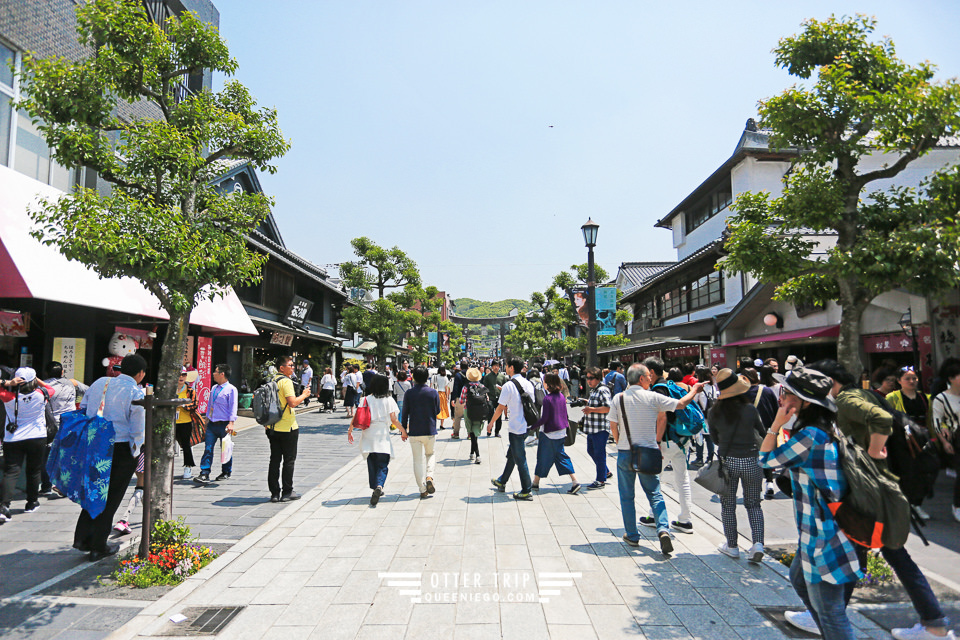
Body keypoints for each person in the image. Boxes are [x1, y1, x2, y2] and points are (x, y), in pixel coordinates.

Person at [806, 360, 955, 640]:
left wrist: (874, 452)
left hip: (873, 490)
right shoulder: (863, 395)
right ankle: (828, 613)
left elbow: (882, 420)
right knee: (865, 550)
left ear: (829, 381)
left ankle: (934, 624)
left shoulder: (848, 398)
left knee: (872, 549)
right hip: (879, 488)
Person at [759, 368, 862, 640]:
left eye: (788, 394)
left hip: (824, 535)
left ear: (806, 402)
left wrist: (776, 424)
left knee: (830, 611)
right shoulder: (827, 428)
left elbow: (765, 460)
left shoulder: (811, 437)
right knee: (798, 580)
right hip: (821, 530)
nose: (782, 399)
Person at [608, 363, 703, 555]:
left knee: (627, 496)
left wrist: (620, 443)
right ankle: (663, 529)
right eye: (648, 376)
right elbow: (681, 404)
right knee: (655, 492)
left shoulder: (618, 398)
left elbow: (613, 425)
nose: (651, 379)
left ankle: (632, 535)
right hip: (649, 451)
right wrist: (694, 390)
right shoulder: (653, 397)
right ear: (641, 378)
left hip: (626, 452)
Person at [72, 354, 146, 560]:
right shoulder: (135, 392)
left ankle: (82, 538)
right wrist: (135, 450)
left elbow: (84, 408)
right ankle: (98, 545)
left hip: (95, 444)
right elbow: (138, 428)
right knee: (111, 496)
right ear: (140, 373)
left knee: (93, 491)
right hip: (121, 448)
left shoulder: (100, 383)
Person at [708, 368, 767, 562]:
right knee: (753, 505)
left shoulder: (714, 411)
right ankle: (757, 544)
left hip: (728, 462)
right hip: (751, 459)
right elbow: (762, 431)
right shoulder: (750, 409)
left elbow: (715, 439)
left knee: (728, 505)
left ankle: (732, 546)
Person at [642, 357, 696, 535]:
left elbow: (662, 417)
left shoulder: (658, 389)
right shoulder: (672, 386)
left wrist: (656, 441)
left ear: (651, 373)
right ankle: (685, 520)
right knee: (683, 479)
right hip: (682, 439)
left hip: (666, 441)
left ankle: (653, 516)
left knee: (654, 478)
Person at [1, 368, 56, 521]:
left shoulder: (8, 397)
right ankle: (31, 502)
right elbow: (51, 388)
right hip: (37, 437)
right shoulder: (42, 395)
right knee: (34, 471)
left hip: (13, 439)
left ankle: (4, 506)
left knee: (11, 472)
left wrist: (7, 382)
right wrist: (37, 379)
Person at [349, 373, 404, 505]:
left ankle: (375, 486)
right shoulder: (389, 400)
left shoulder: (366, 399)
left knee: (371, 462)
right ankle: (379, 485)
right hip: (382, 434)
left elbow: (357, 416)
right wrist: (403, 431)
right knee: (383, 463)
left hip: (368, 433)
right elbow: (393, 419)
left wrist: (350, 430)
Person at [265, 356, 311, 502]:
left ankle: (274, 493)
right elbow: (292, 403)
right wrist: (304, 395)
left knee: (274, 460)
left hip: (272, 427)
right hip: (288, 427)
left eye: (293, 365)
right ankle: (287, 492)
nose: (292, 367)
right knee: (289, 460)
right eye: (290, 365)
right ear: (281, 368)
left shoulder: (272, 382)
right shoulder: (286, 382)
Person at [489, 358, 536, 501]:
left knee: (520, 458)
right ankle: (502, 481)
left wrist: (491, 423)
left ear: (510, 368)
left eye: (507, 366)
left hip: (516, 427)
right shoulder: (528, 384)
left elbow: (500, 408)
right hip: (526, 425)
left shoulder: (508, 386)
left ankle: (527, 490)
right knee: (512, 455)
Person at [42, 361, 89, 494]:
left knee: (48, 455)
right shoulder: (72, 383)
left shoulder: (44, 385)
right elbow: (88, 391)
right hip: (70, 423)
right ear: (62, 372)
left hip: (50, 424)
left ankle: (46, 485)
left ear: (46, 372)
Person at [530, 373, 580, 494]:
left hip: (549, 433)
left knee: (543, 457)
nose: (543, 383)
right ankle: (574, 481)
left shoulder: (548, 399)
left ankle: (536, 482)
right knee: (560, 456)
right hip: (561, 431)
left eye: (544, 381)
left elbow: (544, 418)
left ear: (548, 383)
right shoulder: (561, 396)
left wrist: (532, 427)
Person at [402, 366, 441, 499]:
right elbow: (438, 411)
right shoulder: (433, 392)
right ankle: (429, 476)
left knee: (417, 461)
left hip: (414, 430)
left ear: (413, 378)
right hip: (429, 429)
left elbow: (405, 413)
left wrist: (403, 430)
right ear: (426, 378)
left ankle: (422, 488)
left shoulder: (409, 393)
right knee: (430, 454)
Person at [195, 364, 238, 484]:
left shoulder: (231, 389)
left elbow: (233, 407)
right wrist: (206, 420)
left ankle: (226, 471)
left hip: (224, 424)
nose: (213, 373)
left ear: (222, 374)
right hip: (212, 424)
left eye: (216, 371)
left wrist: (231, 423)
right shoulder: (214, 388)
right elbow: (210, 405)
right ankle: (204, 472)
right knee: (208, 448)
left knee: (225, 448)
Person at [931, 358, 960, 524]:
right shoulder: (941, 398)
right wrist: (944, 442)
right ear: (950, 378)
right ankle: (957, 505)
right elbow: (936, 422)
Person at [581, 366, 612, 489]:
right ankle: (606, 471)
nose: (588, 381)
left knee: (599, 453)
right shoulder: (594, 389)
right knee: (591, 450)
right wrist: (586, 402)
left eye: (591, 378)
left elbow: (608, 408)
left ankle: (600, 480)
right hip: (592, 427)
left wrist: (591, 409)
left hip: (600, 428)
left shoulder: (602, 390)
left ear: (598, 378)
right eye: (587, 378)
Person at [460, 367, 487, 464]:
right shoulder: (482, 386)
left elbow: (461, 401)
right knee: (475, 433)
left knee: (471, 432)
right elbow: (486, 399)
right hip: (480, 412)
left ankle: (478, 455)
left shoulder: (466, 387)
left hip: (469, 411)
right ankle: (472, 453)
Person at [691, 365, 716, 467]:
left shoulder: (699, 386)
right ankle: (710, 458)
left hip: (701, 416)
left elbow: (694, 401)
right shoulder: (713, 387)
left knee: (699, 438)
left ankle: (699, 458)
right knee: (710, 439)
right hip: (712, 416)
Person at [483, 361, 505, 437]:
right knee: (490, 414)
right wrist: (486, 396)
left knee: (499, 415)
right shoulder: (487, 376)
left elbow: (505, 388)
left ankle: (497, 431)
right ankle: (489, 430)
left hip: (500, 398)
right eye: (495, 366)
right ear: (492, 367)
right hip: (491, 398)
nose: (496, 367)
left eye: (498, 366)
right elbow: (484, 388)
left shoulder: (502, 377)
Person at [451, 361, 468, 440]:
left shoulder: (458, 375)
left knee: (457, 416)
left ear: (460, 367)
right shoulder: (470, 374)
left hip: (460, 398)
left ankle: (456, 433)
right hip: (469, 398)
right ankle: (470, 434)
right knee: (468, 416)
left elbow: (455, 387)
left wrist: (453, 399)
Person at [431, 365, 451, 430]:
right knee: (442, 409)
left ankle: (433, 424)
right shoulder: (445, 378)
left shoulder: (434, 377)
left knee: (434, 408)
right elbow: (446, 388)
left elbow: (431, 385)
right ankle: (441, 425)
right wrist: (447, 396)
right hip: (442, 394)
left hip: (435, 393)